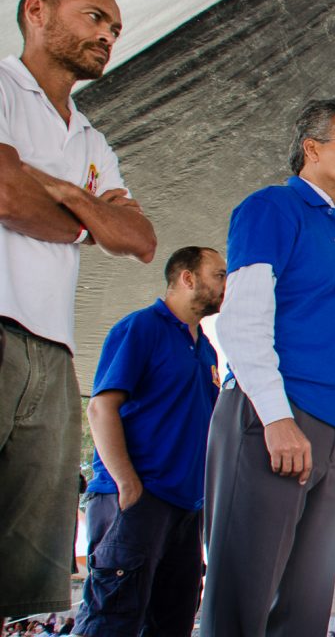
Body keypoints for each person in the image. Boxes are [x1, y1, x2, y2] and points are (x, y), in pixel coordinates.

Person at [0, 0, 157, 616]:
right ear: (37, 10)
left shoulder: (90, 137)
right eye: (94, 16)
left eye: (115, 27)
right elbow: (7, 194)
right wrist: (88, 220)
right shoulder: (3, 88)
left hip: (54, 351)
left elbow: (140, 240)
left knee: (21, 564)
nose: (109, 34)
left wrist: (63, 192)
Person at [200, 98, 335, 635]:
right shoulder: (272, 208)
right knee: (241, 602)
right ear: (312, 148)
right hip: (273, 418)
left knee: (306, 608)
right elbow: (241, 318)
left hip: (329, 435)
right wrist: (276, 418)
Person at [74, 246, 225, 635]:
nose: (228, 284)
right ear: (187, 278)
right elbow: (101, 408)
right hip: (137, 500)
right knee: (113, 619)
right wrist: (127, 483)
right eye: (219, 275)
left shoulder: (207, 350)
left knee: (171, 622)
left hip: (186, 510)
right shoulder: (141, 327)